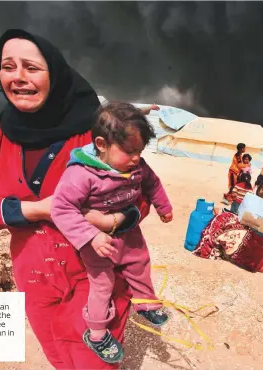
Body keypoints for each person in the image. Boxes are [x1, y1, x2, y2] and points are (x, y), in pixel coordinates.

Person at [0, 29, 155, 370]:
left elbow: (142, 196)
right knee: (59, 358)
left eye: (31, 67)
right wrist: (35, 210)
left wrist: (111, 220)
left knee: (91, 363)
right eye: (8, 66)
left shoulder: (96, 135)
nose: (18, 77)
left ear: (55, 73)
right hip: (34, 279)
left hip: (95, 277)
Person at [51, 102, 173, 363]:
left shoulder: (137, 168)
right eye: (130, 151)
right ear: (101, 144)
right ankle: (96, 333)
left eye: (140, 150)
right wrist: (91, 235)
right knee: (102, 283)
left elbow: (153, 183)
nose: (136, 158)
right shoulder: (81, 174)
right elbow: (61, 208)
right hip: (96, 241)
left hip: (127, 232)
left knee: (139, 261)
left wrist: (164, 207)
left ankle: (145, 302)